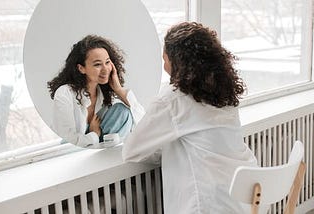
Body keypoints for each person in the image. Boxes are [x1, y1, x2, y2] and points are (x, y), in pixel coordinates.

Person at [122, 22, 257, 213]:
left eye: (165, 59)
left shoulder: (173, 99)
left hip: (210, 205)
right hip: (247, 197)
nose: (164, 65)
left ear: (177, 62)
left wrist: (167, 146)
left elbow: (131, 150)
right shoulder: (224, 93)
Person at [48, 35, 144, 148]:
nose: (105, 69)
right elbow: (69, 141)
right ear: (81, 68)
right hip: (72, 156)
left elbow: (142, 121)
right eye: (97, 64)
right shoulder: (64, 93)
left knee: (123, 111)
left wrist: (118, 89)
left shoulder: (106, 94)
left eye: (107, 62)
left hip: (102, 155)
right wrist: (94, 134)